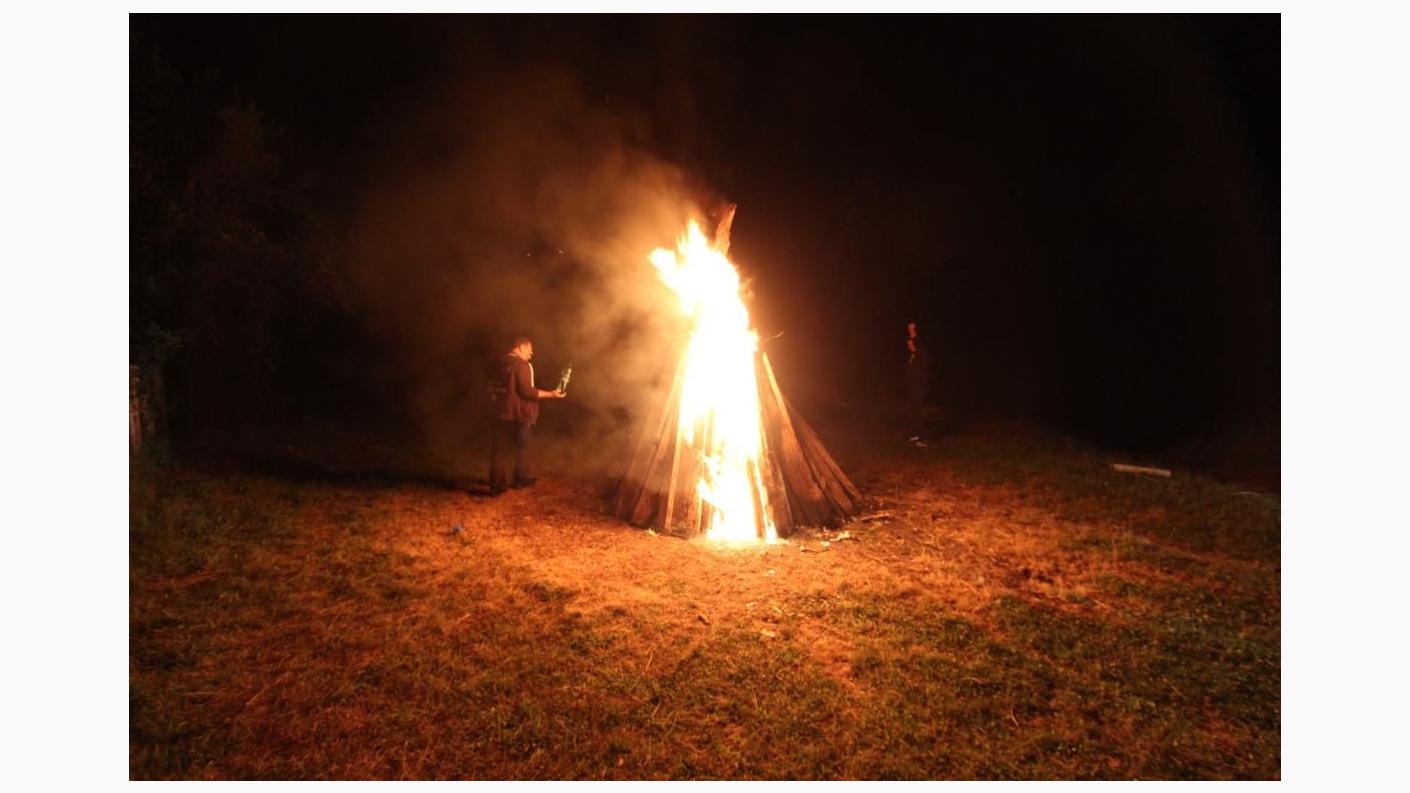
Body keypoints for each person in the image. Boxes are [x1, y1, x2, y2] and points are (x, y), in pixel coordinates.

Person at [487, 336, 565, 494]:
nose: (532, 353)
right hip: (519, 413)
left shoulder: (497, 362)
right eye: (530, 349)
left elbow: (490, 385)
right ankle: (521, 480)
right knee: (524, 446)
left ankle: (496, 486)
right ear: (521, 347)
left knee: (499, 449)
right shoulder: (522, 365)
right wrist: (551, 394)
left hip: (498, 411)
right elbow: (526, 391)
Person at [903, 321, 931, 447]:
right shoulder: (914, 356)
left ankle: (924, 439)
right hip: (913, 389)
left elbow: (917, 342)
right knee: (911, 411)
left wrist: (912, 331)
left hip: (919, 389)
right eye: (908, 344)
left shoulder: (922, 354)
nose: (909, 345)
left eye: (911, 343)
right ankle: (916, 434)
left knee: (916, 412)